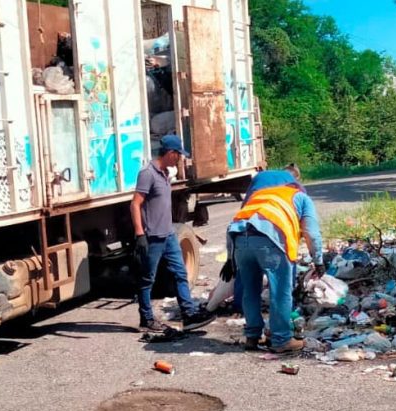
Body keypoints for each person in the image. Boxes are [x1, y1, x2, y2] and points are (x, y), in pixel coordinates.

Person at [228, 169, 323, 353]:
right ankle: (281, 339)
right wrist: (318, 259)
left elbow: (241, 218)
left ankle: (252, 336)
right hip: (270, 240)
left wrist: (230, 257)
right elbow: (311, 232)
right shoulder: (300, 197)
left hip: (239, 238)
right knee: (280, 291)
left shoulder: (259, 194)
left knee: (250, 290)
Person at [132, 135, 213, 335]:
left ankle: (189, 313)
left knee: (180, 273)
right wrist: (140, 234)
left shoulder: (165, 173)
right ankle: (147, 318)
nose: (179, 159)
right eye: (178, 155)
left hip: (168, 234)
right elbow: (135, 204)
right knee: (147, 279)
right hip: (153, 237)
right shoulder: (147, 173)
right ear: (170, 153)